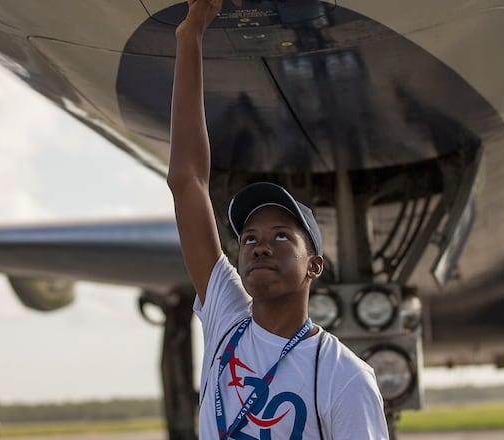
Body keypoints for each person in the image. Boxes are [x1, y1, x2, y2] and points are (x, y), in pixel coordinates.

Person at [167, 0, 389, 438]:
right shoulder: (226, 319)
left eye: (282, 236)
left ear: (314, 265)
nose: (259, 245)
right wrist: (190, 37)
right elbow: (187, 180)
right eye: (248, 238)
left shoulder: (343, 376)